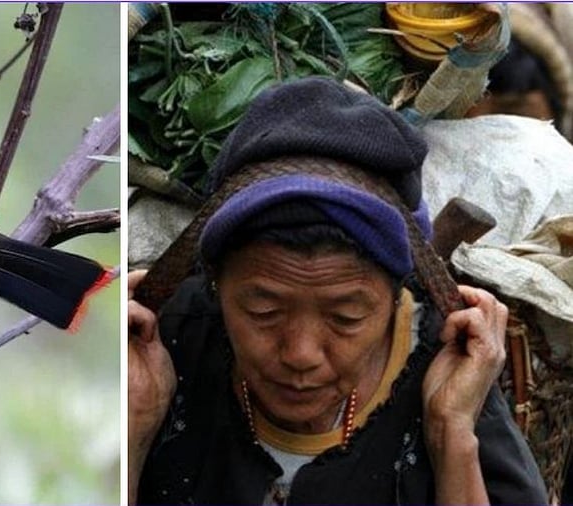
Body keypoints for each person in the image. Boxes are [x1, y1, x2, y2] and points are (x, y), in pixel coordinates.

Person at [128, 77, 548, 505]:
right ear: (217, 285)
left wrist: (451, 433)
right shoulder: (173, 344)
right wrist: (134, 424)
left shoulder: (442, 365)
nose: (301, 354)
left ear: (395, 299)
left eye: (345, 317)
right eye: (263, 311)